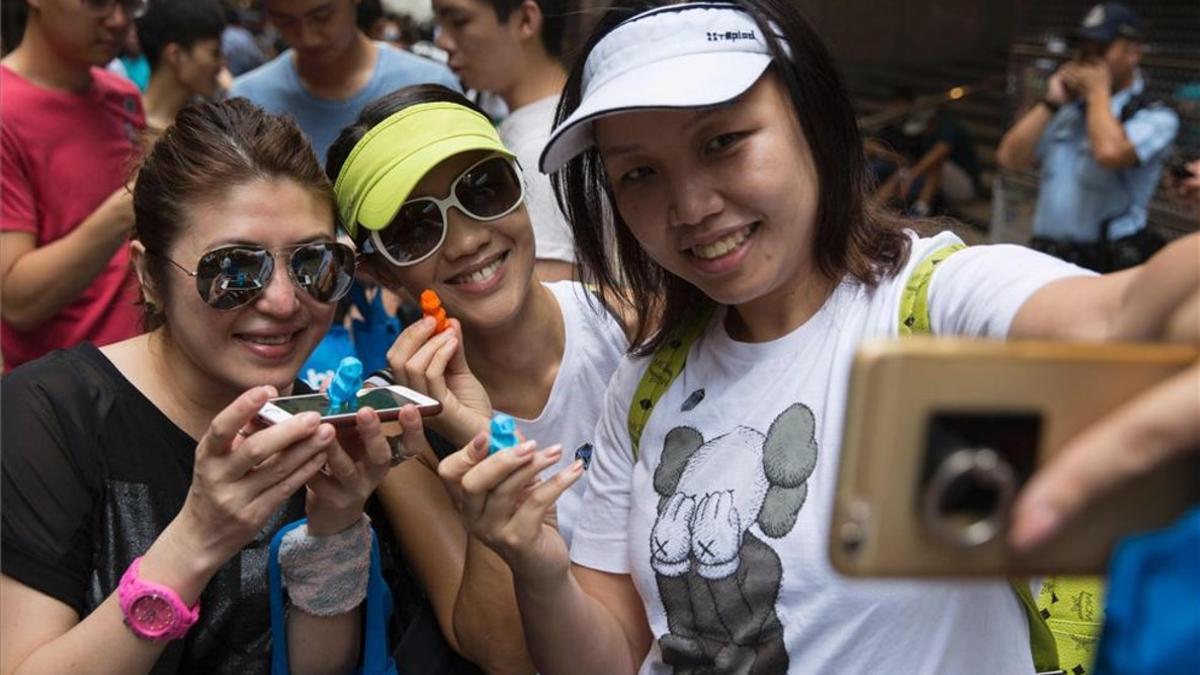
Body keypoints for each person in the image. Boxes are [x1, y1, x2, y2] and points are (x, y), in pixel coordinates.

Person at [433, 2, 1200, 673]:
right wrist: (537, 565)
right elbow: (611, 653)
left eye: (723, 141)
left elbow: (1125, 316)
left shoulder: (935, 303)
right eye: (640, 174)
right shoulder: (645, 387)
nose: (691, 205)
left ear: (813, 120)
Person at [0, 99, 395, 675]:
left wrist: (333, 530)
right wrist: (196, 539)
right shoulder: (51, 415)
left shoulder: (310, 417)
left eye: (314, 264)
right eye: (234, 269)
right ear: (149, 277)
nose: (284, 302)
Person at [326, 83, 631, 672]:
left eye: (484, 190)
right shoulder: (400, 426)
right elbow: (504, 656)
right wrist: (486, 437)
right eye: (416, 227)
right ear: (379, 271)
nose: (467, 240)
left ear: (522, 190)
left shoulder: (633, 325)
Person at [1, 0, 146, 371]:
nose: (117, 20)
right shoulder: (7, 111)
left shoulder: (124, 97)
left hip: (143, 372)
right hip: (62, 390)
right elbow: (17, 300)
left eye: (131, 4)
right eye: (97, 2)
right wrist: (131, 199)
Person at [996, 2, 1179, 272]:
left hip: (1106, 262)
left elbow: (1110, 153)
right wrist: (1050, 103)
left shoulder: (1155, 115)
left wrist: (1097, 93)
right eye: (1084, 49)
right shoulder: (1067, 109)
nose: (1089, 60)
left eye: (1101, 50)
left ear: (1133, 53)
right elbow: (1010, 158)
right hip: (1047, 256)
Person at [433, 0, 578, 281]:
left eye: (459, 21)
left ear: (525, 20)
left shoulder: (543, 151)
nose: (442, 41)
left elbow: (544, 300)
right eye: (440, 23)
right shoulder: (528, 121)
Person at [231, 0, 459, 163]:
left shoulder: (430, 84)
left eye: (322, 16)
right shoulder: (246, 100)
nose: (308, 36)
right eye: (285, 21)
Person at [137, 0, 226, 131]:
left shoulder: (209, 127)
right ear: (175, 55)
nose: (221, 65)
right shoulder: (125, 125)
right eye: (215, 53)